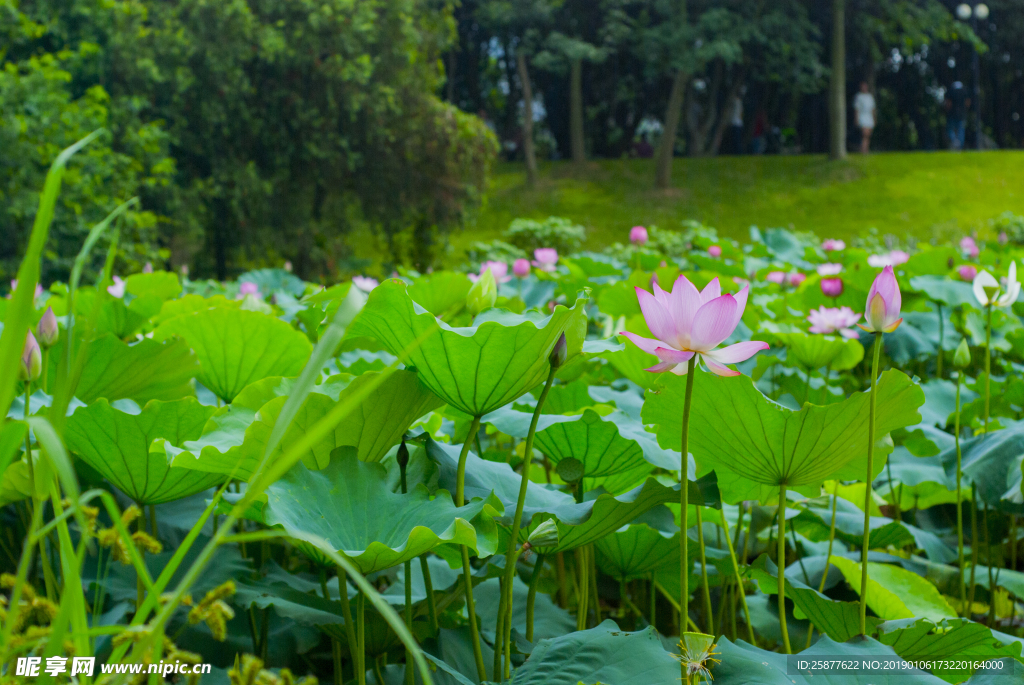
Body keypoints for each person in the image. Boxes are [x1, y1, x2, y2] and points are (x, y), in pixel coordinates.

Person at [945, 81, 970, 151]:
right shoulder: (964, 92)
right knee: (961, 131)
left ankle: (954, 141)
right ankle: (959, 147)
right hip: (962, 114)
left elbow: (948, 103)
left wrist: (947, 110)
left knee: (950, 129)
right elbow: (967, 103)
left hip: (952, 114)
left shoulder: (951, 92)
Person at [853, 81, 876, 154]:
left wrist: (874, 118)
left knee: (868, 135)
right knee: (865, 134)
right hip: (862, 116)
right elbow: (857, 109)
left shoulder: (870, 97)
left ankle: (865, 149)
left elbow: (872, 108)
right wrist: (856, 119)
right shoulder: (858, 96)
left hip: (869, 117)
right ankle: (863, 150)